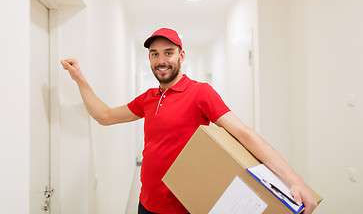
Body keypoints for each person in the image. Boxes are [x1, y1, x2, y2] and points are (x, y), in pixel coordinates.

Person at [61, 28, 318, 214]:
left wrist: (293, 180)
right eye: (154, 54)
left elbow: (244, 134)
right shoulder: (148, 98)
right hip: (146, 204)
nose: (161, 61)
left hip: (186, 206)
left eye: (168, 53)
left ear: (181, 56)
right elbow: (104, 116)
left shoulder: (200, 92)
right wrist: (79, 79)